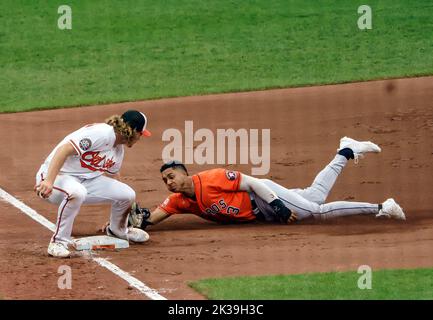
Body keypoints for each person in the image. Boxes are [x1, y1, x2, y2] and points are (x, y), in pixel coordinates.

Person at [126, 137, 405, 230]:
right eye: (165, 180)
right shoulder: (179, 201)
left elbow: (255, 183)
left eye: (171, 176)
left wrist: (278, 206)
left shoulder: (212, 178)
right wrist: (128, 222)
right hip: (264, 211)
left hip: (264, 198)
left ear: (184, 173)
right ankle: (346, 150)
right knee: (315, 194)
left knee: (316, 212)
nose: (169, 183)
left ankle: (382, 207)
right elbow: (150, 219)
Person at [35, 110, 151, 258]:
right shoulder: (101, 133)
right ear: (133, 131)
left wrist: (129, 206)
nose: (140, 137)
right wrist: (49, 180)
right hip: (56, 177)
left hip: (85, 181)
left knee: (128, 194)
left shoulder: (118, 150)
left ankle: (118, 230)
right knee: (77, 192)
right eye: (141, 133)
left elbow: (113, 175)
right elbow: (63, 150)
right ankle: (58, 242)